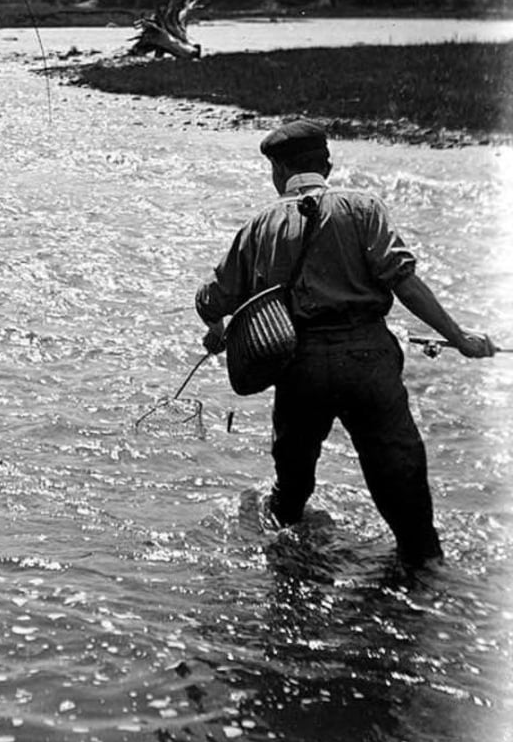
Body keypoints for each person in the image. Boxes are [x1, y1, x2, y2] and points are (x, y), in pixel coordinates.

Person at [195, 119, 496, 567]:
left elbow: (211, 298)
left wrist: (218, 330)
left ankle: (290, 583)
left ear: (278, 171)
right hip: (370, 362)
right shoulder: (363, 208)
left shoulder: (260, 225)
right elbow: (405, 284)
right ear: (328, 165)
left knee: (291, 491)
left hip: (300, 367)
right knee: (403, 486)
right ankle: (428, 588)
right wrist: (461, 338)